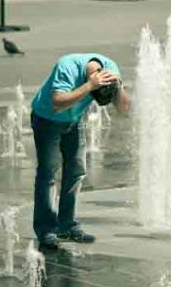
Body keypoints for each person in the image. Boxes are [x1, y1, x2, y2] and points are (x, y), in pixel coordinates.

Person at [30, 54, 130, 250]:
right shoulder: (66, 66)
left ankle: (67, 226)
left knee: (76, 171)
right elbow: (58, 103)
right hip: (47, 119)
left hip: (74, 120)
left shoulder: (110, 68)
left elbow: (123, 108)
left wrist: (118, 85)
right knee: (48, 173)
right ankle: (47, 230)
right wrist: (89, 87)